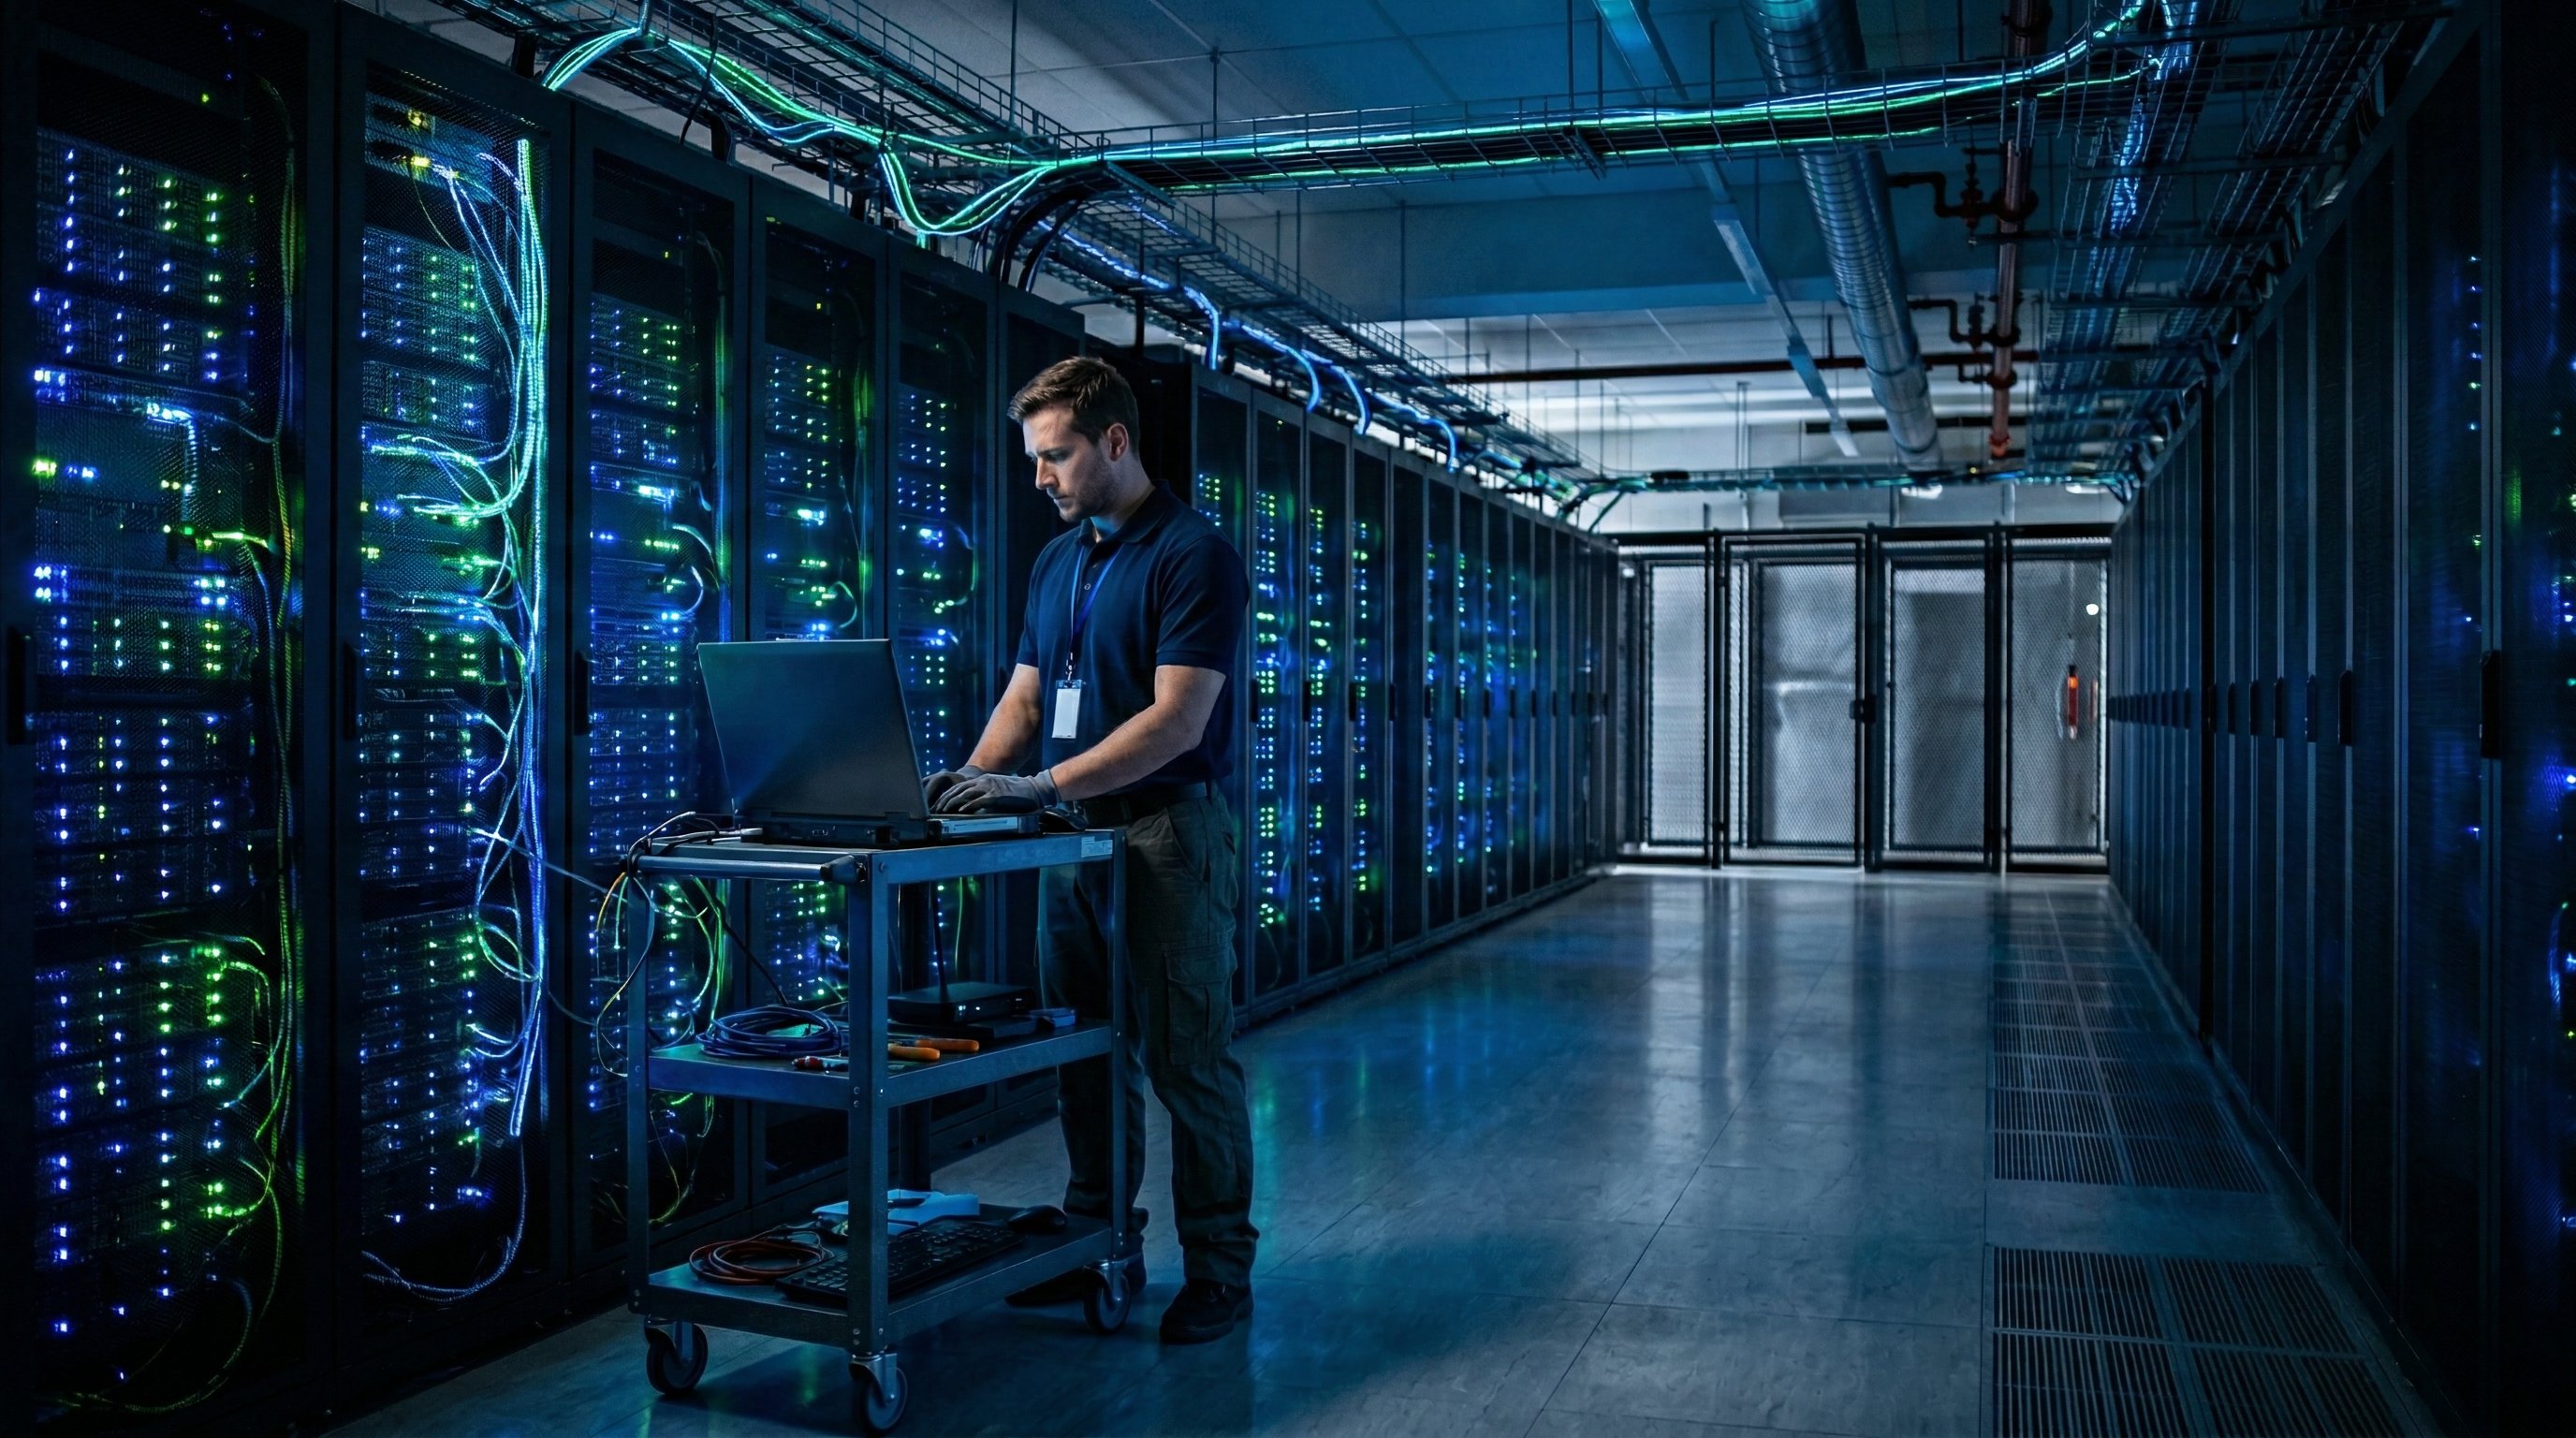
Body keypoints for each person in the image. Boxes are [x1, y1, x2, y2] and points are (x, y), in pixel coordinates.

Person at [924, 356, 1258, 1343]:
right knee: (1081, 1052)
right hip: (1069, 837)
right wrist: (961, 789)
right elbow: (1029, 698)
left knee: (1185, 1062)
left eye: (1056, 455)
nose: (1041, 477)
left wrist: (1035, 788)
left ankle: (1220, 1272)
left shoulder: (1193, 553)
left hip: (1165, 833)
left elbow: (1175, 723)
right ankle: (1095, 1244)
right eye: (1034, 458)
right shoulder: (1058, 560)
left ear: (1114, 441)